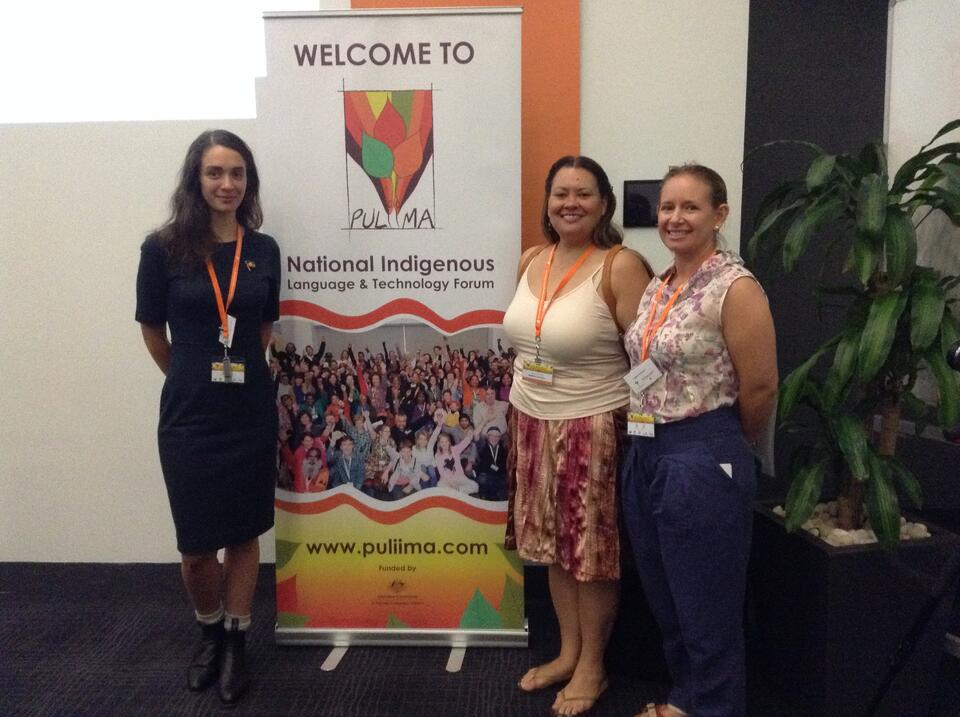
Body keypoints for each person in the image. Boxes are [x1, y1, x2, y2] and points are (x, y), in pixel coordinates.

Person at [621, 164, 777, 717]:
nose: (675, 218)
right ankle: (685, 698)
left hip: (701, 452)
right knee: (667, 597)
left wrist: (719, 453)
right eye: (667, 207)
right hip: (645, 448)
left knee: (706, 602)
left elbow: (759, 387)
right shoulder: (661, 283)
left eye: (690, 207)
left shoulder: (734, 288)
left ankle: (709, 707)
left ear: (719, 215)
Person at [502, 155, 652, 716]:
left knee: (591, 555)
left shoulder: (620, 265)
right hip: (532, 422)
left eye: (583, 194)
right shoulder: (531, 260)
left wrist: (645, 429)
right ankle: (568, 652)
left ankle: (594, 667)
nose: (570, 203)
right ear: (547, 201)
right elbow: (525, 341)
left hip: (594, 427)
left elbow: (648, 358)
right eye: (560, 193)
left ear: (604, 203)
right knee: (554, 552)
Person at [136, 129, 280, 707]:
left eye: (237, 174)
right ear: (195, 180)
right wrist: (190, 373)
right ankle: (210, 630)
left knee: (244, 533)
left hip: (249, 409)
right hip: (190, 412)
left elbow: (263, 326)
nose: (227, 184)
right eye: (215, 173)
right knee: (196, 547)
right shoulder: (163, 247)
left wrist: (241, 369)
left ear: (248, 182)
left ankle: (237, 642)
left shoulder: (264, 249)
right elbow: (152, 329)